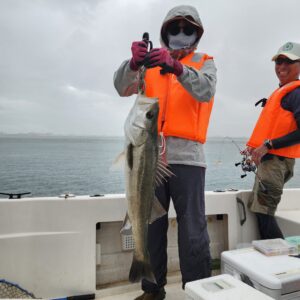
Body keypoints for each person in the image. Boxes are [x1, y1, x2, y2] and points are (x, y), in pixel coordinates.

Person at [114, 5, 216, 300]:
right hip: (149, 156)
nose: (181, 34)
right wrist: (132, 65)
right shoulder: (148, 65)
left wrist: (179, 68)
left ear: (197, 34)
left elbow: (206, 91)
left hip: (189, 159)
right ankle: (152, 288)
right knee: (152, 224)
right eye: (175, 28)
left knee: (193, 229)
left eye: (188, 29)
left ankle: (197, 291)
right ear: (164, 32)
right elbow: (121, 87)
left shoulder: (205, 62)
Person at [245, 41, 300, 240]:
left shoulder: (295, 93)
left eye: (288, 61)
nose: (282, 66)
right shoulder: (283, 92)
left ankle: (282, 261)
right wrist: (257, 148)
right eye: (278, 61)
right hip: (272, 163)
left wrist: (269, 145)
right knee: (261, 211)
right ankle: (275, 259)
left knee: (264, 212)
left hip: (276, 164)